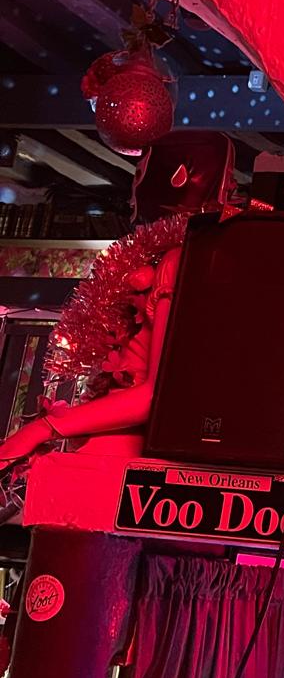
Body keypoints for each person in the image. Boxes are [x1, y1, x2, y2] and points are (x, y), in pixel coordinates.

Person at [0, 131, 235, 473]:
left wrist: (44, 428)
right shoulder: (157, 262)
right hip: (110, 454)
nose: (131, 195)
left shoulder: (177, 262)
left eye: (140, 174)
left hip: (119, 463)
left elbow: (154, 394)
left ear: (177, 179)